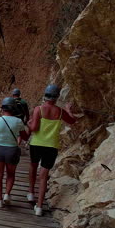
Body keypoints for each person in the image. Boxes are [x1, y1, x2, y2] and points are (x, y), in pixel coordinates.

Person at [27, 85, 76, 216]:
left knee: (32, 167)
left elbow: (34, 128)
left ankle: (31, 193)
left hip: (36, 144)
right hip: (51, 146)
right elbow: (72, 121)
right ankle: (39, 207)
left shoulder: (39, 109)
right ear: (56, 97)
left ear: (45, 95)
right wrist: (68, 109)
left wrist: (29, 123)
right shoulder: (60, 112)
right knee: (43, 177)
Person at [0, 97, 29, 208]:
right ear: (14, 109)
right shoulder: (18, 121)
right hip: (12, 150)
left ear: (3, 109)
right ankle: (7, 194)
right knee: (10, 174)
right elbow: (24, 137)